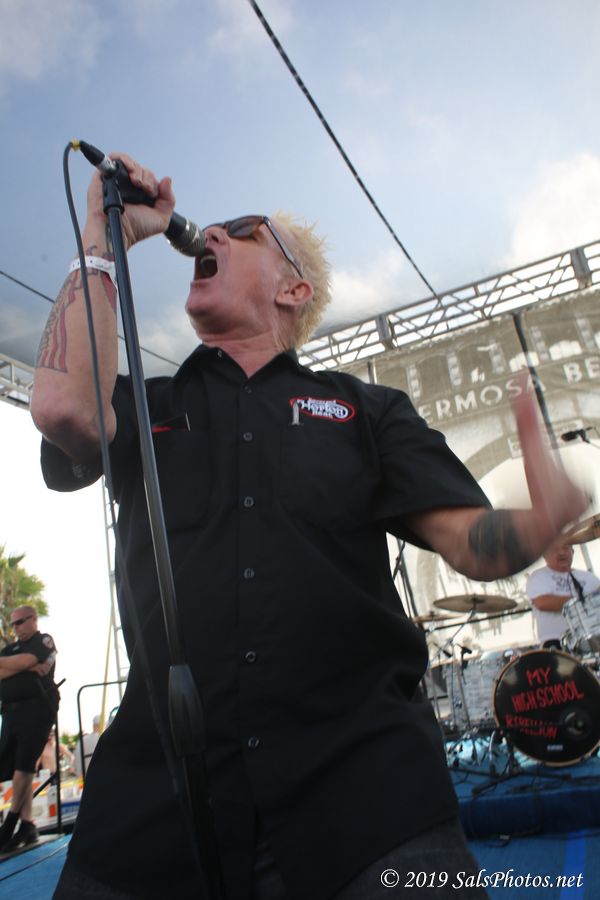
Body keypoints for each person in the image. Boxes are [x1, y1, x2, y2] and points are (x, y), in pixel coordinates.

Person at [31, 152, 589, 900]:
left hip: (368, 795)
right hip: (155, 805)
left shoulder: (366, 410)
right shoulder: (146, 404)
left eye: (244, 231)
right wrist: (106, 240)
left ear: (292, 289)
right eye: (216, 228)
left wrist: (542, 517)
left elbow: (472, 543)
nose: (213, 234)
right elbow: (64, 410)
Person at [0, 605, 59, 852]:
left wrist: (22, 665)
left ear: (33, 619)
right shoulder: (10, 649)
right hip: (11, 713)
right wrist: (22, 667)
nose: (16, 628)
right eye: (13, 624)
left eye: (20, 622)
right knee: (17, 767)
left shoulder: (42, 641)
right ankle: (27, 823)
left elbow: (29, 660)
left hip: (36, 708)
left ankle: (10, 822)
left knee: (24, 766)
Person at [527, 539, 600, 648]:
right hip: (557, 642)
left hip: (594, 639)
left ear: (572, 551)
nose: (561, 552)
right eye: (554, 549)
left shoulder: (589, 577)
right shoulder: (538, 576)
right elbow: (543, 603)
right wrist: (588, 600)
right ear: (545, 555)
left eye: (566, 548)